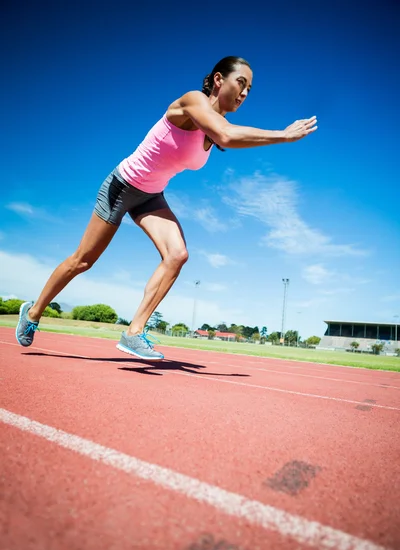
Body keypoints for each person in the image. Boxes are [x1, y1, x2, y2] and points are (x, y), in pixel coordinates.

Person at [16, 56, 317, 360]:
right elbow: (227, 134)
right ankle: (34, 311)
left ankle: (134, 332)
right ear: (217, 80)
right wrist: (284, 135)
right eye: (241, 83)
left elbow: (226, 133)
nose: (244, 93)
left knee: (178, 255)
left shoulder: (215, 129)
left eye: (249, 89)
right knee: (83, 261)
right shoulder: (192, 102)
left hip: (151, 196)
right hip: (122, 185)